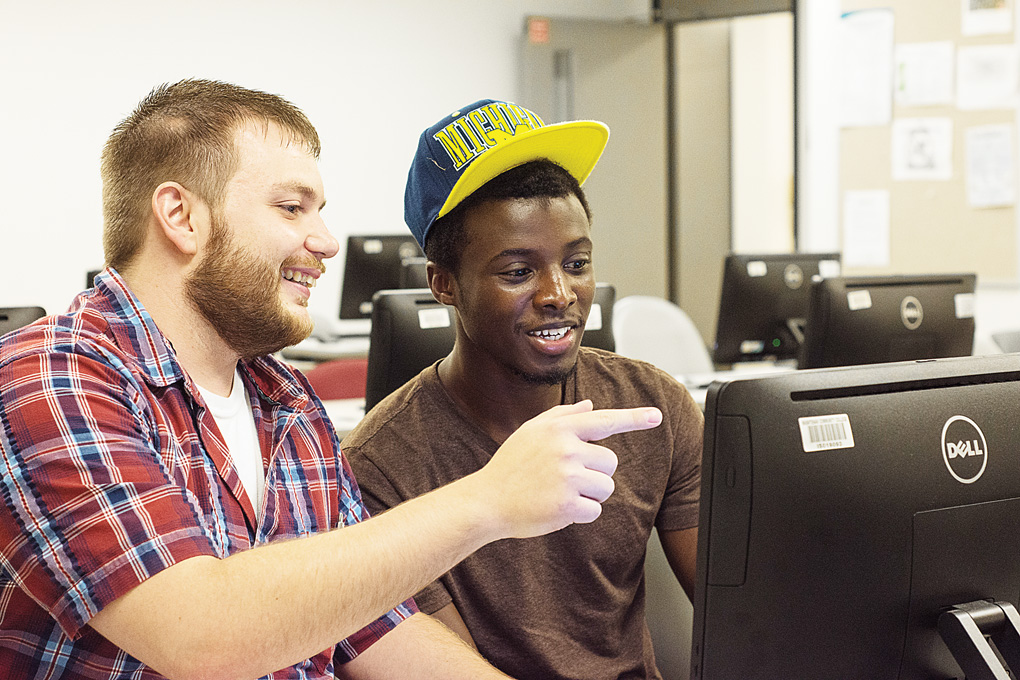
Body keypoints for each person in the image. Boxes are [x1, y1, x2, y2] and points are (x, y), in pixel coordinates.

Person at [0, 80, 665, 680]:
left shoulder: (286, 402)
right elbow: (202, 636)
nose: (325, 240)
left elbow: (375, 630)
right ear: (182, 217)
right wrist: (488, 500)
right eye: (292, 208)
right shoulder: (50, 378)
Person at [343, 99, 703, 680]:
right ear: (443, 283)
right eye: (518, 272)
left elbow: (742, 616)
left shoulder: (653, 406)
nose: (559, 293)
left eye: (577, 261)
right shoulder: (381, 466)